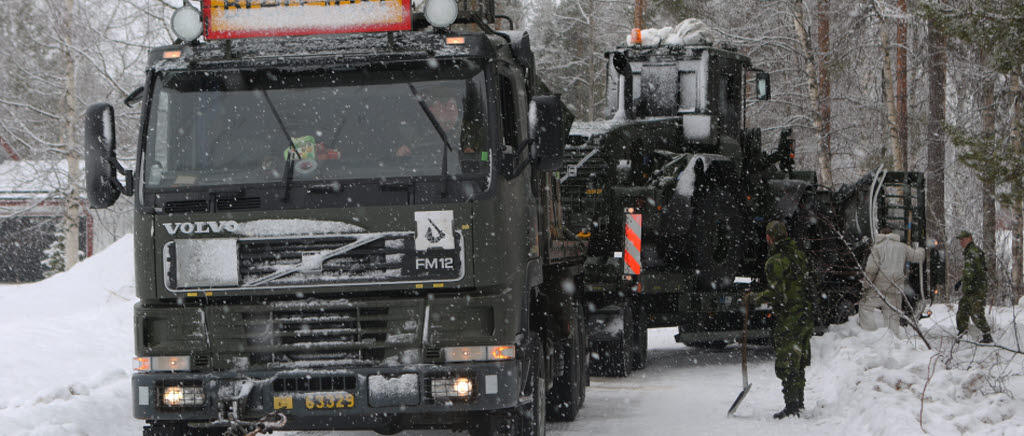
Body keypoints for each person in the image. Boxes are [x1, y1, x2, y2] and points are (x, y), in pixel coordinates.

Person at [751, 220, 812, 419]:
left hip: (789, 317)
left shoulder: (775, 262)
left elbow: (775, 293)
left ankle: (792, 405)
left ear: (770, 237)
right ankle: (799, 402)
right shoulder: (799, 255)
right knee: (799, 358)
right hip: (804, 314)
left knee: (787, 361)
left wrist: (753, 299)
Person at [860, 227, 925, 336]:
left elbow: (871, 269)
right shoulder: (902, 247)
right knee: (892, 316)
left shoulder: (877, 247)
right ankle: (892, 339)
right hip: (896, 287)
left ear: (880, 234)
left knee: (865, 306)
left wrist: (866, 285)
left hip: (879, 288)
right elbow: (917, 257)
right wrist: (921, 249)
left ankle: (869, 333)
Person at [955, 231, 994, 344]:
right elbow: (969, 271)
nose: (961, 242)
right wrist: (961, 282)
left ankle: (987, 336)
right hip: (970, 289)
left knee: (976, 313)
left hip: (976, 289)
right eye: (960, 240)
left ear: (970, 238)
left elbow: (973, 272)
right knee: (962, 311)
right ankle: (962, 332)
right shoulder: (969, 252)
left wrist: (967, 283)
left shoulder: (974, 252)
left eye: (963, 239)